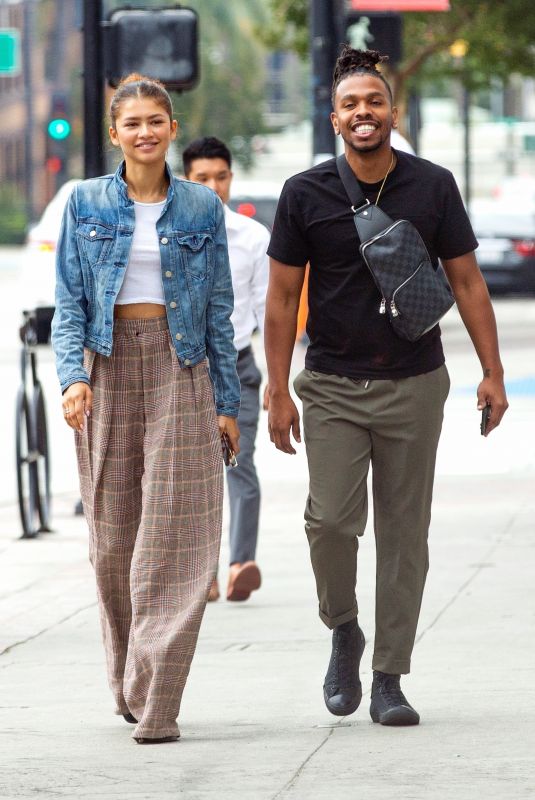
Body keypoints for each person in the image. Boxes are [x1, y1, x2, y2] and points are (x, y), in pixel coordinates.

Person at [264, 47, 508, 727]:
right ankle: (343, 627)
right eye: (350, 104)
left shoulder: (431, 186)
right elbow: (282, 298)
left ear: (391, 112)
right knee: (331, 523)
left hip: (413, 383)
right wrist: (277, 389)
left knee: (405, 536)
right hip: (333, 386)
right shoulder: (304, 194)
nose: (363, 113)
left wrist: (490, 371)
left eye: (374, 101)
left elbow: (466, 282)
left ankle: (388, 677)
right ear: (334, 117)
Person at [51, 74, 240, 744]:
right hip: (107, 369)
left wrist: (226, 402)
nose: (145, 132)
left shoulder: (199, 209)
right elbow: (69, 303)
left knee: (177, 539)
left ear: (171, 127)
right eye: (132, 122)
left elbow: (219, 308)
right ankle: (127, 675)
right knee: (114, 543)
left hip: (179, 365)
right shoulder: (84, 202)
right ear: (114, 133)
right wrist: (73, 379)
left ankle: (160, 698)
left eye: (156, 120)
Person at [182, 137, 269, 603]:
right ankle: (203, 573)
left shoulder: (253, 238)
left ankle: (240, 564)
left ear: (231, 178)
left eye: (221, 177)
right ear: (186, 180)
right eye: (202, 178)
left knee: (241, 463)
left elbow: (267, 312)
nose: (214, 187)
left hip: (237, 366)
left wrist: (278, 379)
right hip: (183, 368)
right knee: (193, 473)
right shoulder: (168, 234)